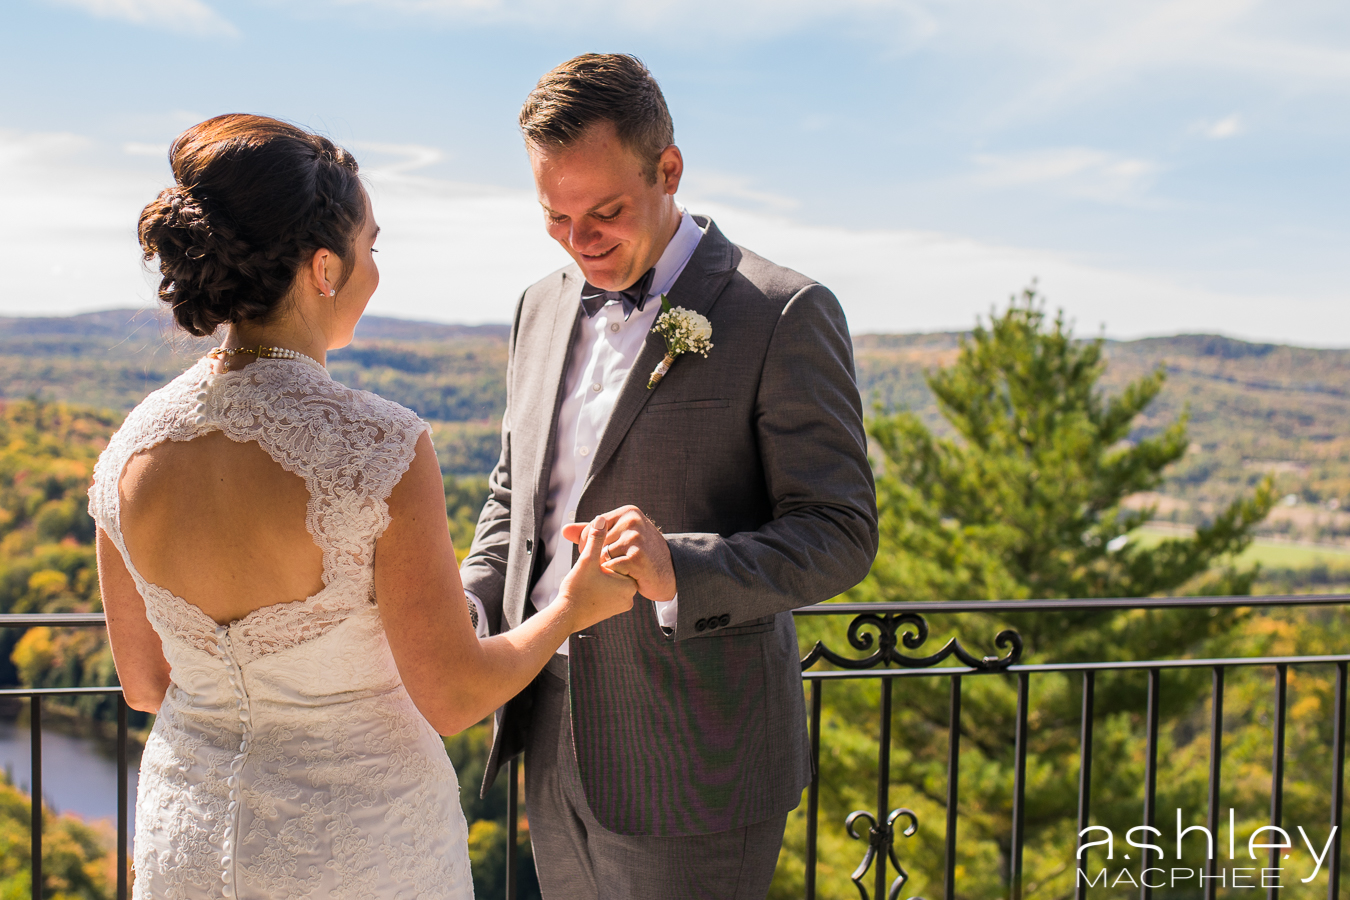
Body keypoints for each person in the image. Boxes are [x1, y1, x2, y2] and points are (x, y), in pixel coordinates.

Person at [89, 113, 635, 900]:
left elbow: (142, 684)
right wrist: (572, 609)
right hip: (355, 851)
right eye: (370, 247)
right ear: (323, 268)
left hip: (190, 840)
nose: (375, 270)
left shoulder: (129, 449)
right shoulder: (374, 449)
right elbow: (451, 696)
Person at [459, 54, 879, 899]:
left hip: (700, 761)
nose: (581, 243)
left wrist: (678, 569)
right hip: (546, 727)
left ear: (669, 169)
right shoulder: (539, 305)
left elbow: (839, 531)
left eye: (605, 212)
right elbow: (518, 495)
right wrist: (470, 600)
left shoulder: (782, 311)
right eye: (555, 218)